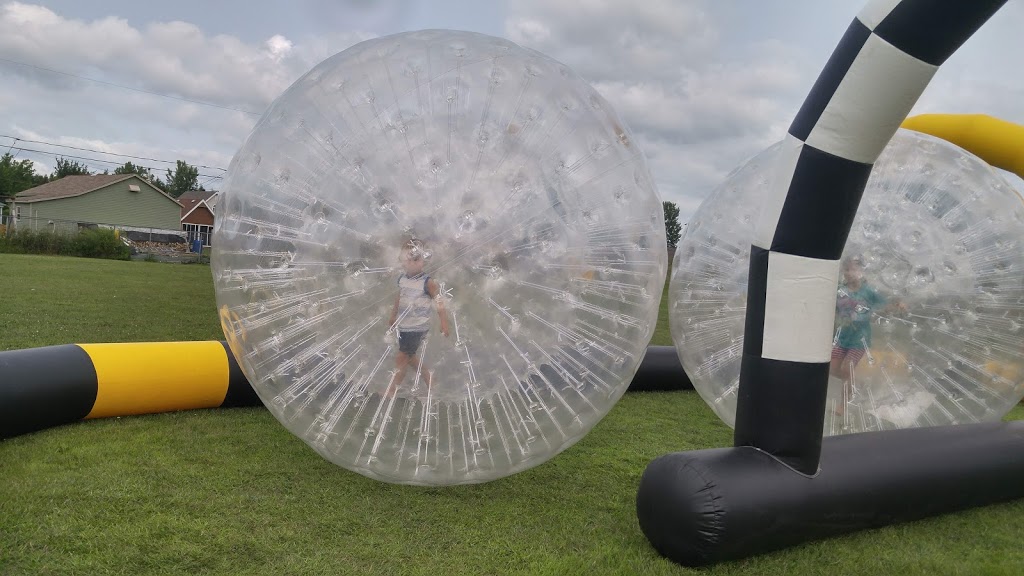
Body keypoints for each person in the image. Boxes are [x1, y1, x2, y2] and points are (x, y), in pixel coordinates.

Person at [831, 255, 905, 416]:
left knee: (846, 370)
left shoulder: (869, 292)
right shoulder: (839, 290)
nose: (849, 273)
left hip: (859, 340)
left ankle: (843, 405)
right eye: (846, 269)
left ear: (862, 271)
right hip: (841, 338)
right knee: (832, 370)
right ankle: (853, 382)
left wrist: (896, 305)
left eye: (853, 269)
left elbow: (885, 306)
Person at [385, 238, 449, 397]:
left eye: (417, 259)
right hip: (404, 325)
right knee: (409, 356)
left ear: (424, 260)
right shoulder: (402, 279)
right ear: (403, 261)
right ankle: (428, 376)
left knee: (402, 357)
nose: (413, 263)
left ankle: (393, 389)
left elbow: (439, 301)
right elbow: (399, 298)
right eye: (409, 259)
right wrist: (393, 316)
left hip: (418, 327)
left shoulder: (427, 283)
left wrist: (444, 322)